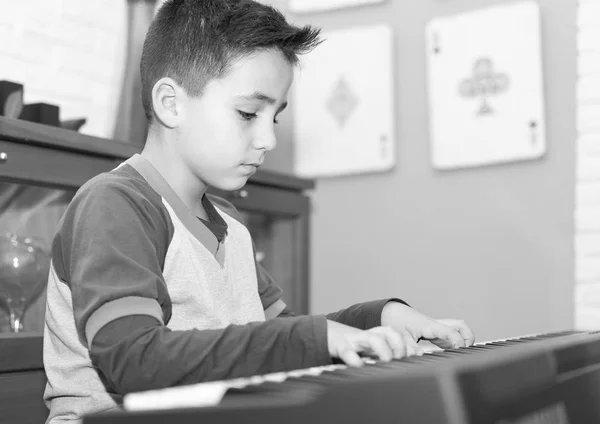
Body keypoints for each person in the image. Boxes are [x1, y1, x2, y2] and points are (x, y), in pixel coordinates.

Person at [42, 0, 475, 422]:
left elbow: (276, 334)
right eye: (248, 113)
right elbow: (135, 362)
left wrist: (374, 319)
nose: (267, 139)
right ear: (171, 103)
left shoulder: (230, 224)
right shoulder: (115, 205)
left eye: (275, 117)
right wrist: (314, 339)